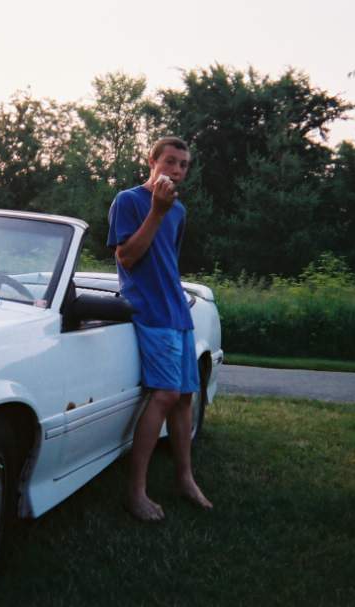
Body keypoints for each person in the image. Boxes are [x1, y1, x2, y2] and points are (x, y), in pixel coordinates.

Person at [107, 136, 213, 522]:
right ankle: (135, 492)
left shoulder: (179, 210)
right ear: (151, 161)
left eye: (184, 165)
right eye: (170, 161)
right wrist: (156, 210)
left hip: (177, 310)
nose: (177, 170)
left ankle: (185, 478)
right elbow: (128, 258)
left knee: (185, 396)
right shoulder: (130, 201)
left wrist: (167, 210)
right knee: (166, 393)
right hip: (149, 309)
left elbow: (168, 260)